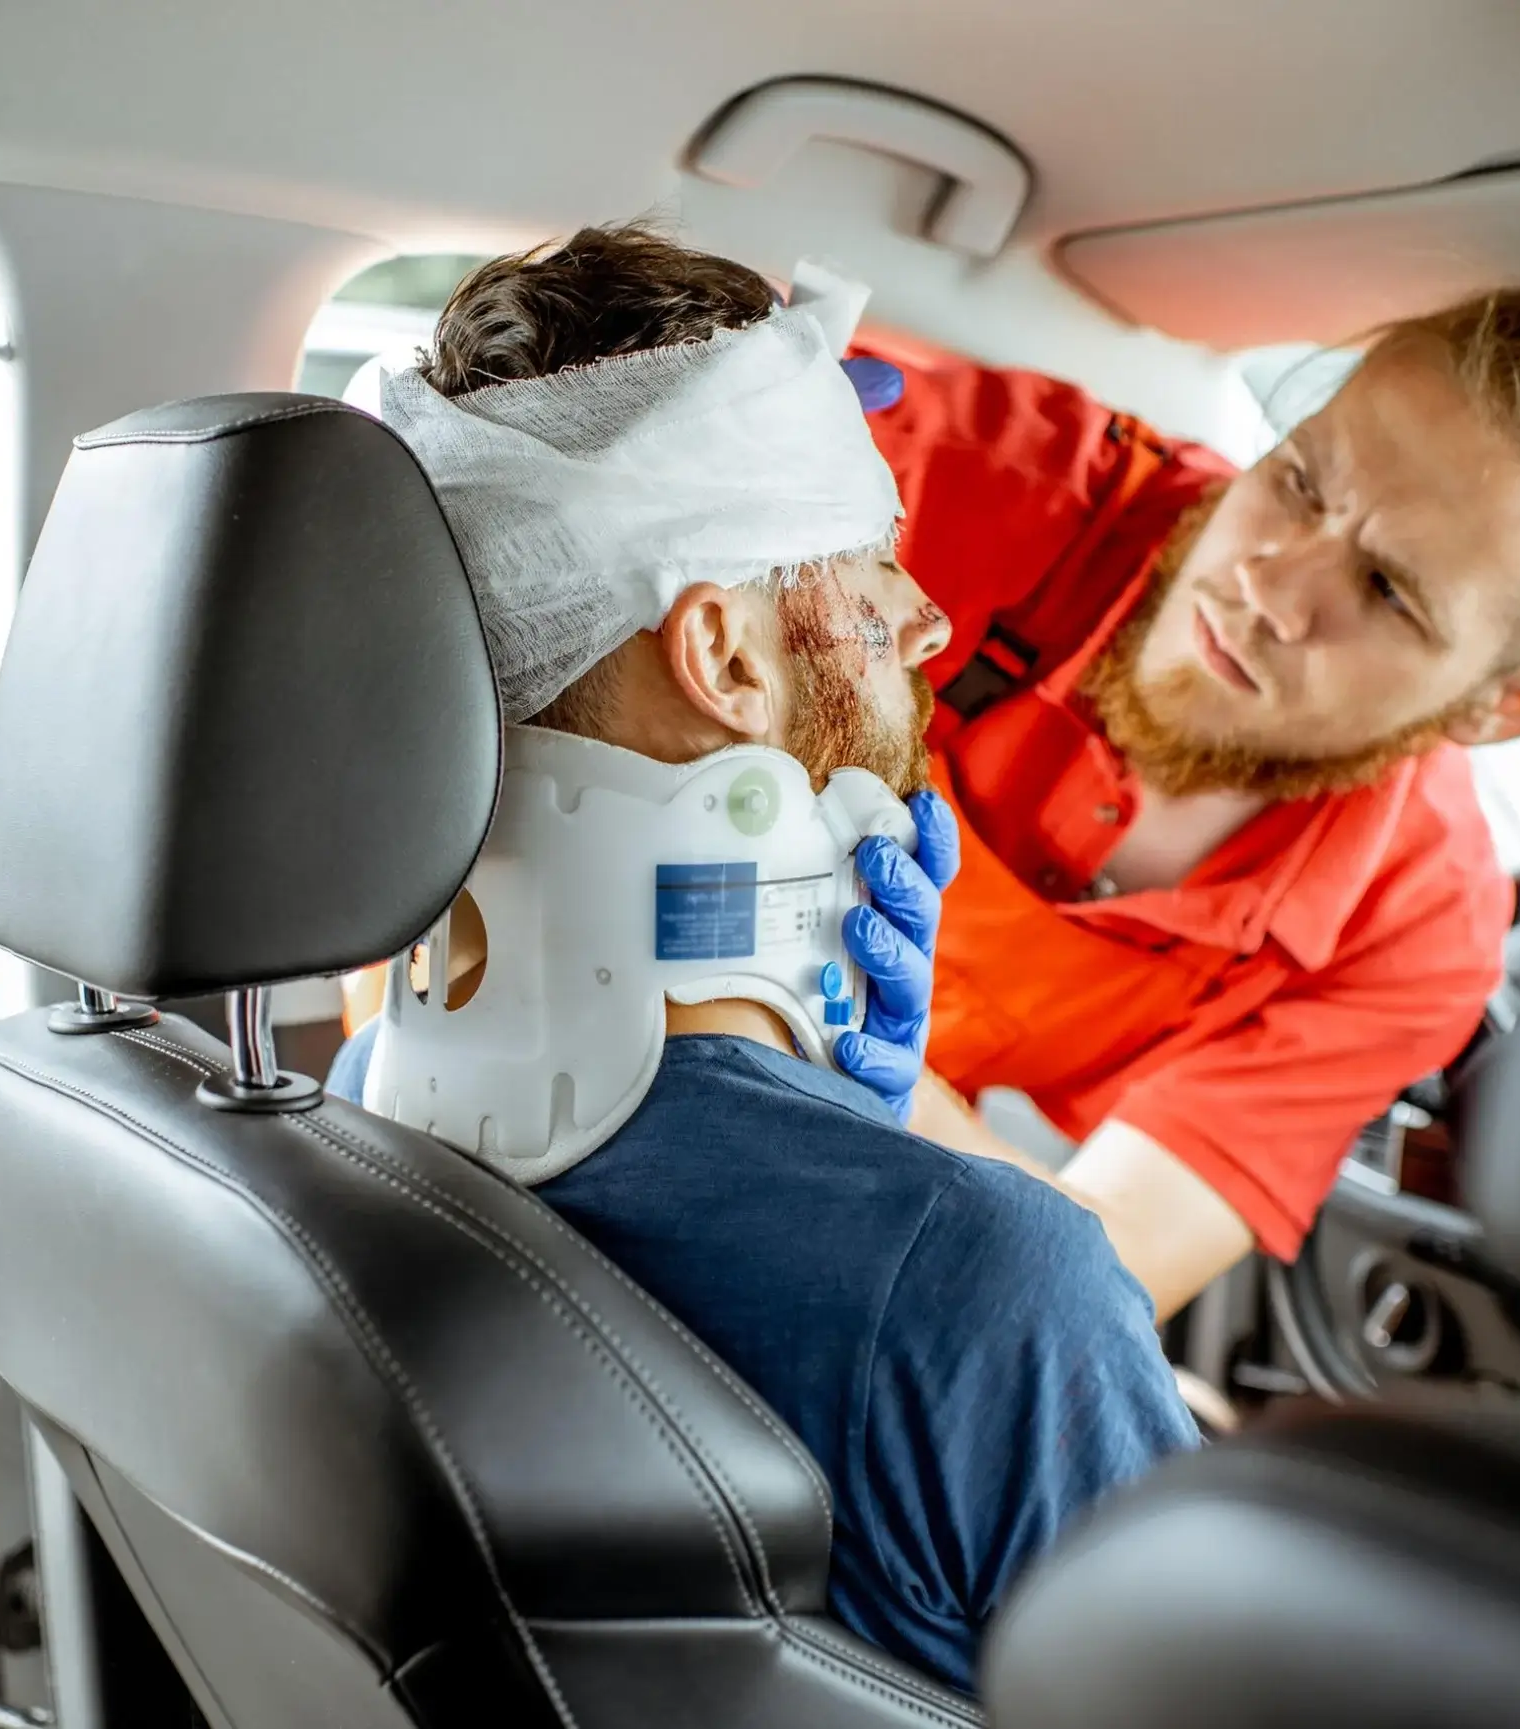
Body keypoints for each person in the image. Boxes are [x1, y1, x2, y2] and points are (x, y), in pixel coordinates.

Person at [328, 224, 1197, 1694]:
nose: (924, 623)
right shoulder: (991, 1288)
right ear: (726, 659)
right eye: (868, 576)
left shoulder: (349, 1118)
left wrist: (851, 1142)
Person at [854, 294, 1520, 1321]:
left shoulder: (1413, 929)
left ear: (1503, 704)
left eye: (1387, 591)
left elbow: (1106, 1271)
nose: (1269, 585)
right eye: (1300, 482)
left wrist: (835, 1065)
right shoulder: (915, 477)